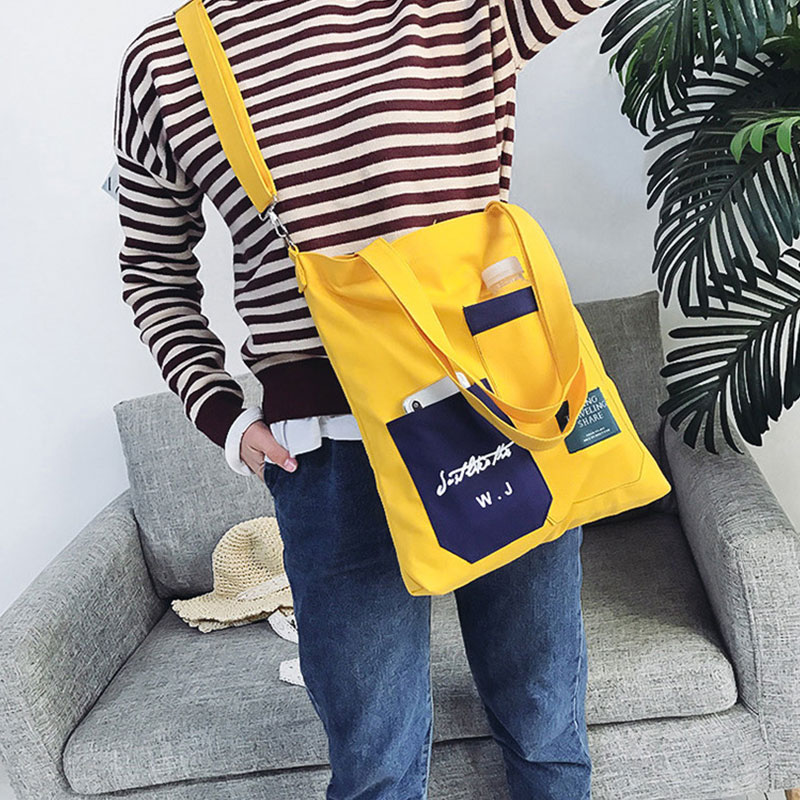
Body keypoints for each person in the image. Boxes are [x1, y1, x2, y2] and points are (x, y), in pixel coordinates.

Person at [114, 1, 605, 797]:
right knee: (375, 765)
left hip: (499, 414)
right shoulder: (168, 60)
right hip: (330, 458)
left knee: (546, 726)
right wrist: (223, 414)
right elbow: (151, 265)